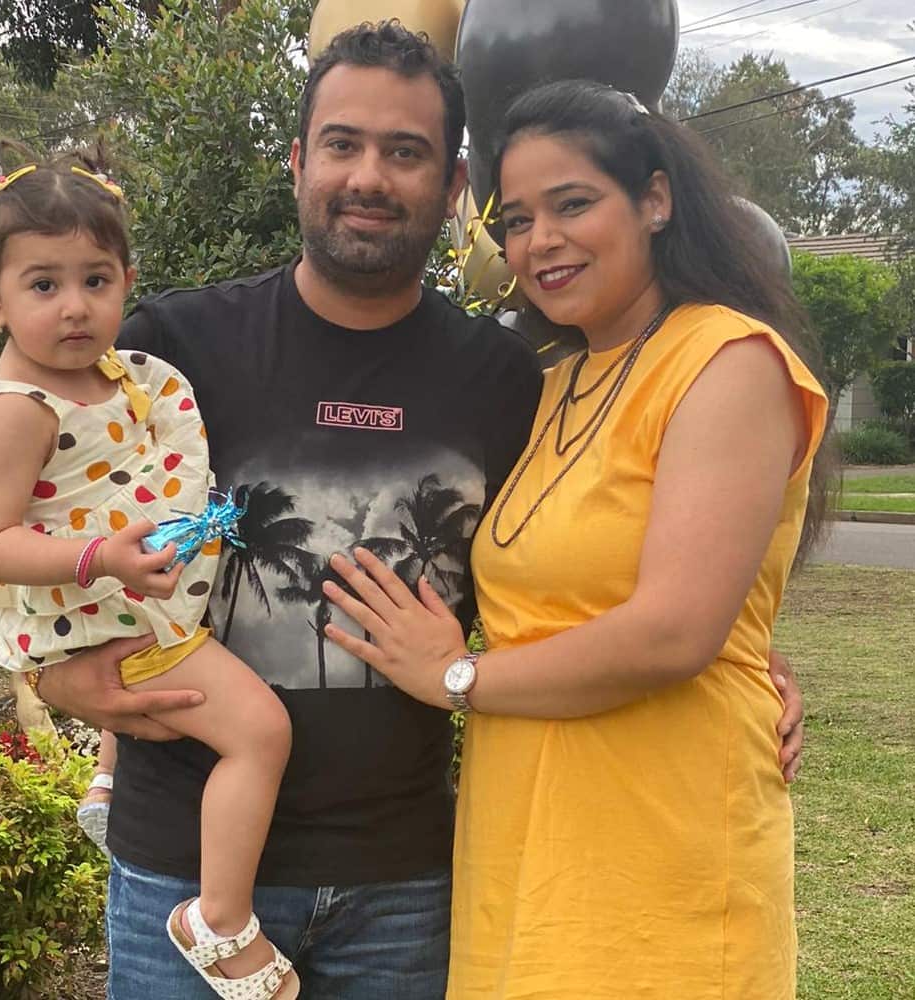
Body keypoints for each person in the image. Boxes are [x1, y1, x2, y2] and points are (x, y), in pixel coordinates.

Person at [29, 25, 807, 999]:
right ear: (297, 161)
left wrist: (739, 647)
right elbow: (8, 523)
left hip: (405, 884)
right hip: (183, 869)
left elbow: (588, 562)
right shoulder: (168, 349)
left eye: (405, 152)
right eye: (342, 144)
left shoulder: (508, 379)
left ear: (450, 188)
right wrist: (55, 673)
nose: (369, 177)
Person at [322, 79, 829, 999]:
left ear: (655, 199)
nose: (540, 241)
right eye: (517, 220)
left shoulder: (728, 362)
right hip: (529, 846)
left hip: (661, 850)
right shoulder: (552, 385)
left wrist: (455, 676)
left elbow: (675, 631)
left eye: (572, 204)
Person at [0, 134, 298, 999]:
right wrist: (100, 556)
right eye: (43, 285)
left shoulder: (110, 378)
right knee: (260, 733)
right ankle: (218, 919)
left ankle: (104, 778)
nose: (75, 307)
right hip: (98, 607)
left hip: (114, 605)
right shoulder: (17, 411)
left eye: (96, 281)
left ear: (127, 282)